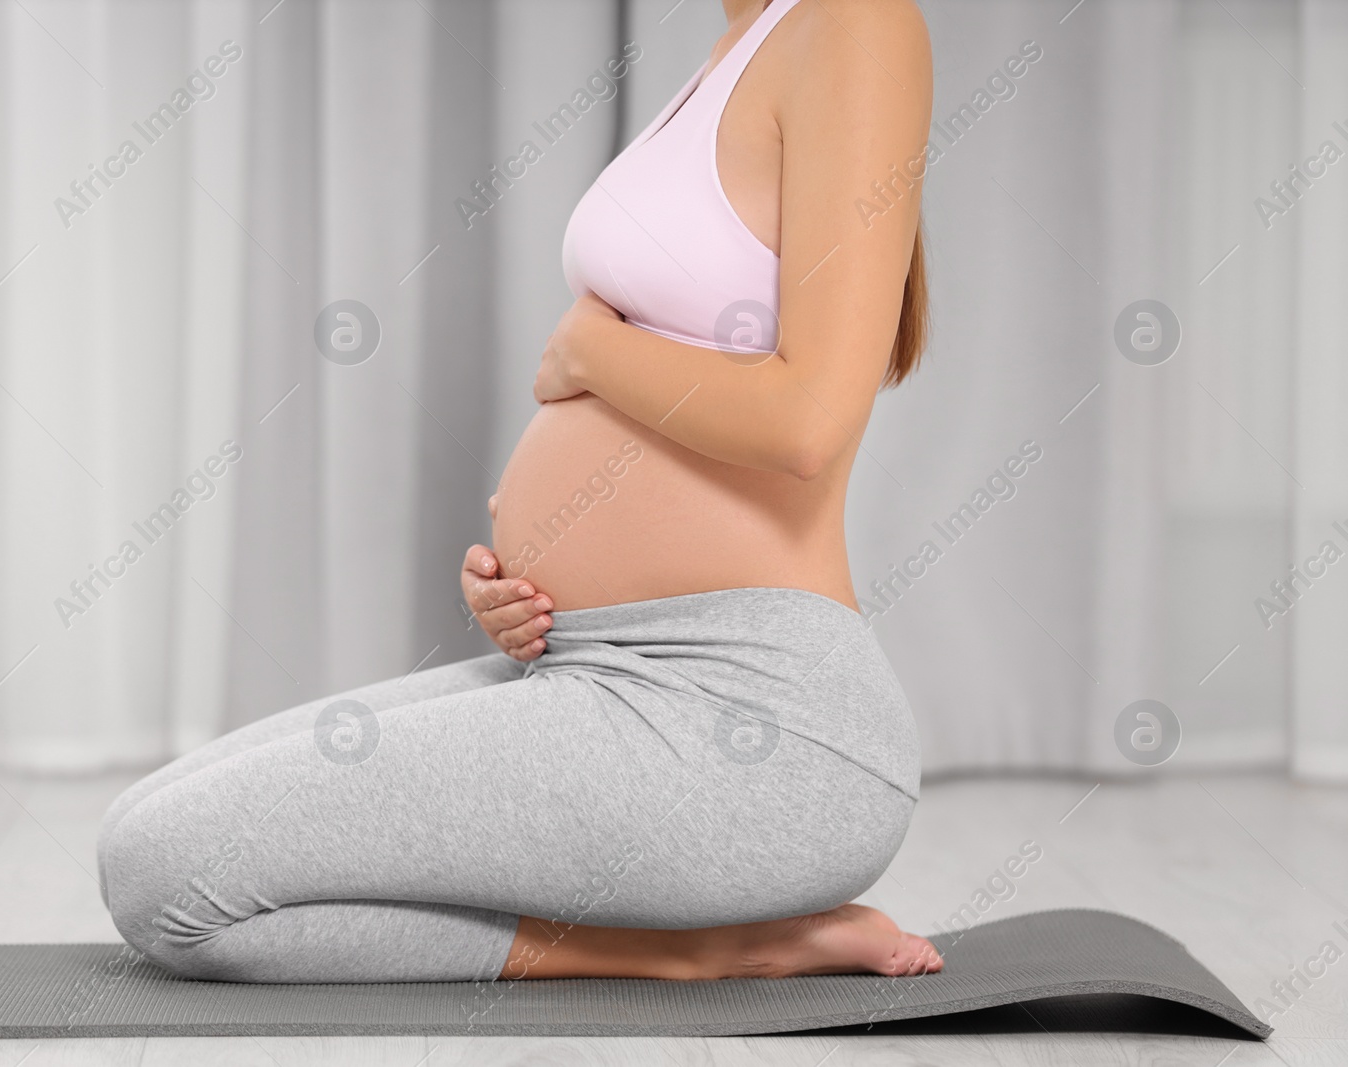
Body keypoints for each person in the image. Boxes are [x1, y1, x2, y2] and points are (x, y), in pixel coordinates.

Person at [97, 0, 943, 984]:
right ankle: (696, 932)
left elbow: (806, 422)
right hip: (599, 669)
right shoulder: (729, 52)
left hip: (754, 720)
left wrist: (590, 347)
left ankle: (693, 952)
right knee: (138, 827)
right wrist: (545, 584)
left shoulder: (854, 22)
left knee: (169, 876)